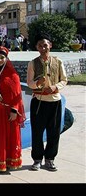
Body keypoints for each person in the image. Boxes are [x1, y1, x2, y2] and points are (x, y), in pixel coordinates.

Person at [26, 32, 68, 171]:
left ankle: (50, 159)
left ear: (50, 45)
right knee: (37, 132)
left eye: (45, 45)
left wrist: (56, 87)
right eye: (40, 46)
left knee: (54, 131)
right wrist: (38, 83)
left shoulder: (58, 61)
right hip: (39, 101)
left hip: (54, 101)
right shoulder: (33, 63)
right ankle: (37, 159)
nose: (43, 48)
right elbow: (29, 83)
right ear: (36, 47)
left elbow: (64, 80)